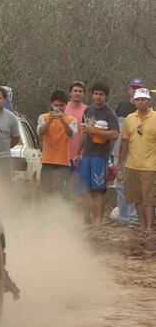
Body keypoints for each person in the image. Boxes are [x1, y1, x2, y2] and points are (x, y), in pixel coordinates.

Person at [72, 83, 119, 225]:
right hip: (86, 155)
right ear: (91, 95)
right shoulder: (88, 111)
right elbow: (84, 133)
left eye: (101, 94)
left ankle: (98, 221)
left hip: (100, 156)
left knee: (98, 190)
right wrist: (77, 152)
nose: (98, 97)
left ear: (105, 96)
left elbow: (115, 134)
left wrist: (95, 131)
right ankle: (87, 218)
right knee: (85, 189)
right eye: (96, 94)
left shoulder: (109, 114)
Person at [117, 88, 156, 231]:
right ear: (133, 101)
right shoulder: (129, 118)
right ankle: (142, 224)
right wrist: (120, 162)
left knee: (149, 200)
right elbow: (125, 141)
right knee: (137, 199)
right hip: (132, 164)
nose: (140, 102)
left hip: (150, 166)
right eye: (137, 99)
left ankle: (149, 227)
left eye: (143, 99)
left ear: (148, 101)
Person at [112, 79, 143, 225]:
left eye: (139, 88)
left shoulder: (145, 110)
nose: (136, 90)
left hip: (136, 154)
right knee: (120, 185)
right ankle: (123, 217)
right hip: (119, 153)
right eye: (134, 88)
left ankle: (133, 217)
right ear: (129, 89)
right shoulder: (121, 106)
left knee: (134, 186)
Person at [37, 90, 77, 197]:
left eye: (61, 105)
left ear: (66, 104)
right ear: (51, 104)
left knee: (58, 190)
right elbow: (40, 132)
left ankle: (59, 210)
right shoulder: (44, 117)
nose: (58, 108)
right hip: (47, 160)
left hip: (62, 162)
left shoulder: (71, 120)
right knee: (46, 190)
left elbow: (71, 135)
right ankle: (47, 211)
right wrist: (49, 121)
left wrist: (64, 122)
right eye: (56, 105)